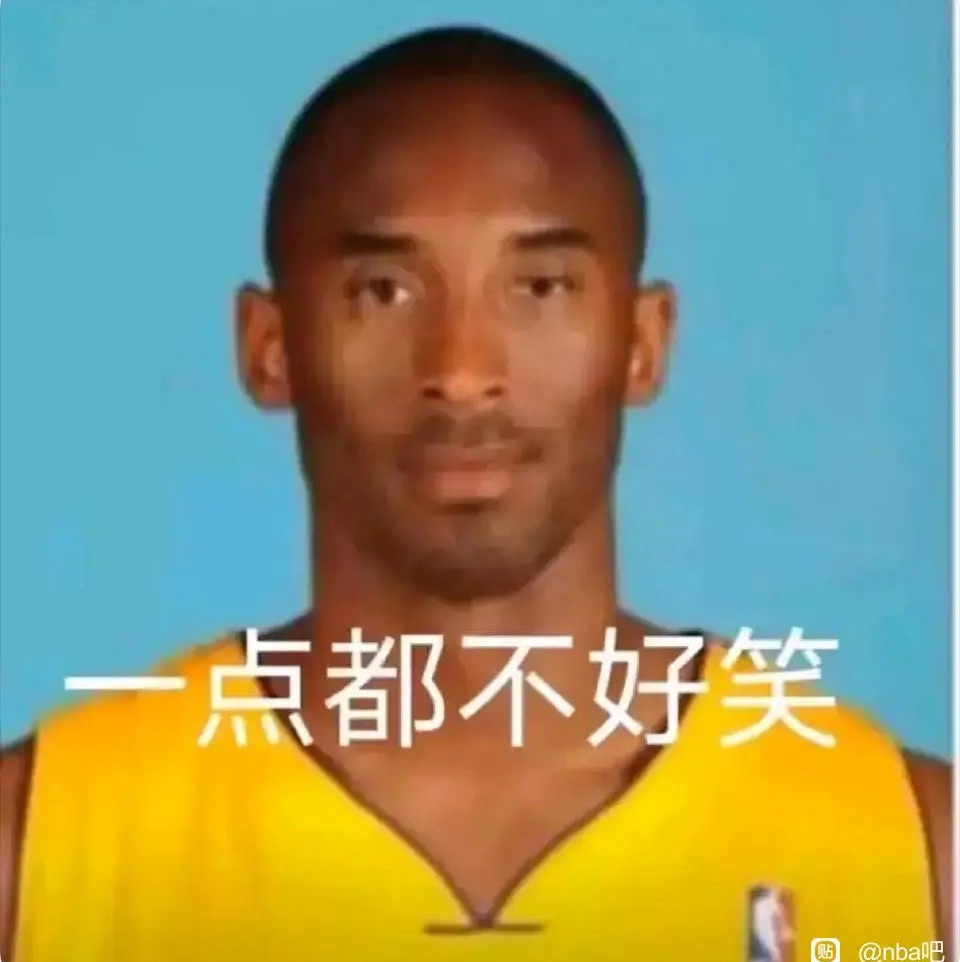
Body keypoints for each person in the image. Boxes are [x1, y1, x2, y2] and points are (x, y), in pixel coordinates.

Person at [0, 25, 953, 962]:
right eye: (383, 290)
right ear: (270, 347)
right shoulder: (36, 850)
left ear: (643, 342)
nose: (461, 373)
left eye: (540, 287)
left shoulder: (914, 856)